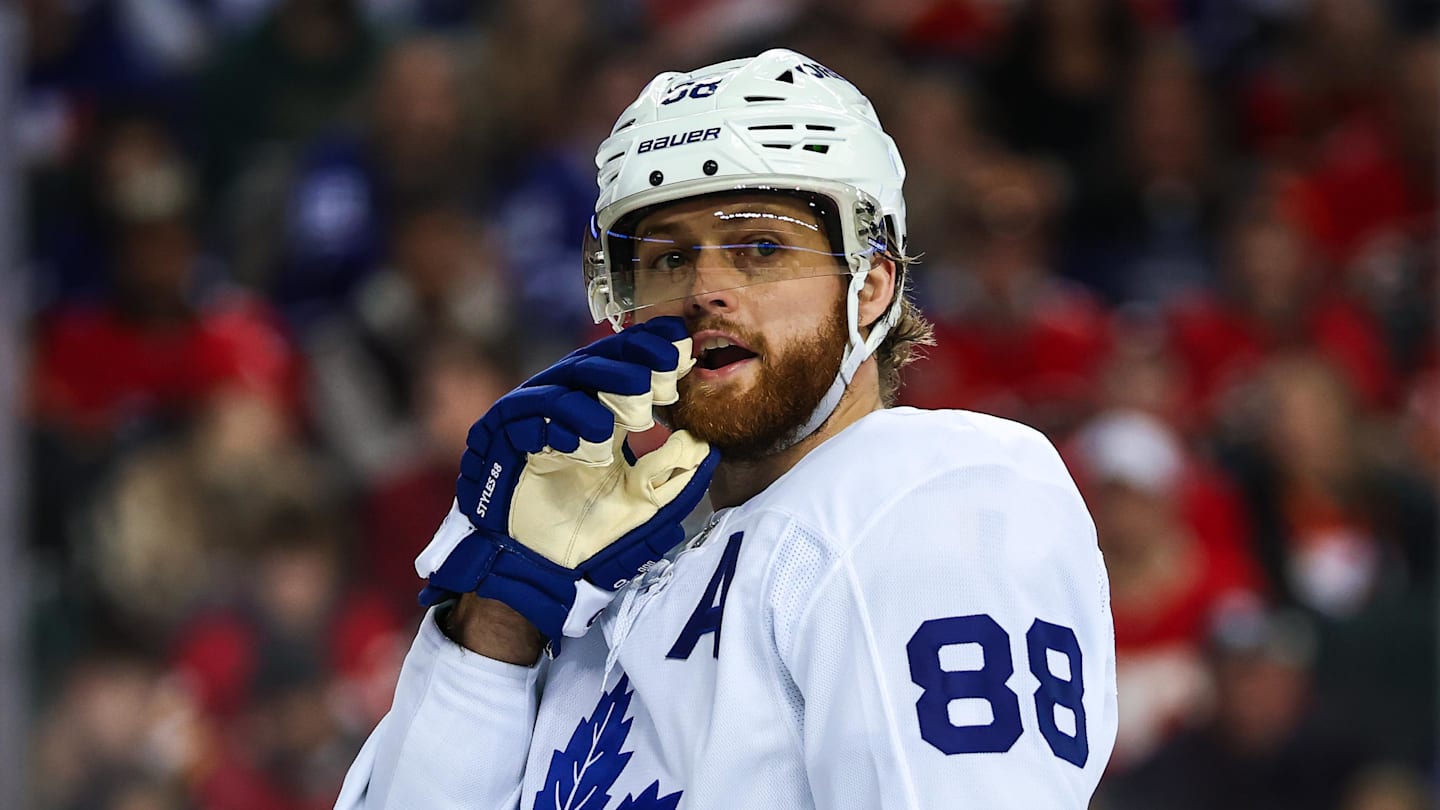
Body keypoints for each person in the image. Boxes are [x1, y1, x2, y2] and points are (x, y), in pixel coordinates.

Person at [335, 48, 1117, 809]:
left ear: (872, 285)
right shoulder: (607, 583)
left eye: (762, 247)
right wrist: (503, 608)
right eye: (668, 259)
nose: (706, 289)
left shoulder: (929, 489)